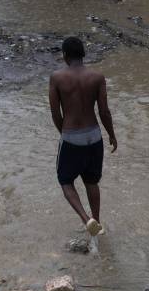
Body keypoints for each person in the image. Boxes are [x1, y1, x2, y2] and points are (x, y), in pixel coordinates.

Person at [48, 37, 117, 236]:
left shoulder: (57, 77)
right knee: (91, 182)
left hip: (71, 136)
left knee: (65, 181)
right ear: (83, 55)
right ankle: (98, 222)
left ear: (65, 56)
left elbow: (55, 113)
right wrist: (112, 135)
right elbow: (104, 111)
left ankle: (86, 219)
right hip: (94, 136)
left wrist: (65, 133)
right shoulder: (97, 77)